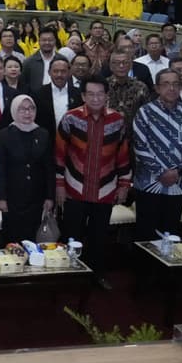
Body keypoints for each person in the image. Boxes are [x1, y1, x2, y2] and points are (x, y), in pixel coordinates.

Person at [55, 76, 130, 290]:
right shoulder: (70, 118)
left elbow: (123, 155)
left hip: (105, 189)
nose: (96, 98)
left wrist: (124, 185)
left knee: (99, 238)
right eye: (91, 94)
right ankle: (68, 274)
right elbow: (59, 155)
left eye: (100, 94)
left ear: (107, 96)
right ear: (83, 96)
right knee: (72, 235)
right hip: (73, 188)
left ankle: (97, 275)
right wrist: (59, 185)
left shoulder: (117, 120)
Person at [131, 69, 182, 241]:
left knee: (171, 234)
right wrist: (160, 172)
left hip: (178, 184)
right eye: (166, 84)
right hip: (149, 183)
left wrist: (178, 171)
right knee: (146, 235)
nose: (171, 88)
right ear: (157, 88)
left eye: (175, 84)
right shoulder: (145, 112)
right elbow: (139, 146)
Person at [0, 94, 54, 243]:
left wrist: (50, 196)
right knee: (13, 240)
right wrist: (1, 198)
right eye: (22, 109)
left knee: (34, 240)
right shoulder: (4, 135)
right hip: (12, 198)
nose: (27, 113)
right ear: (14, 111)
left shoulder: (43, 133)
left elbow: (49, 168)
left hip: (37, 197)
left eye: (31, 109)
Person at [34, 57, 81, 136]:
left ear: (69, 73)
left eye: (63, 71)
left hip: (72, 141)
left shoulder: (78, 93)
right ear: (49, 72)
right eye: (55, 71)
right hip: (47, 141)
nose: (59, 75)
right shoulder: (38, 94)